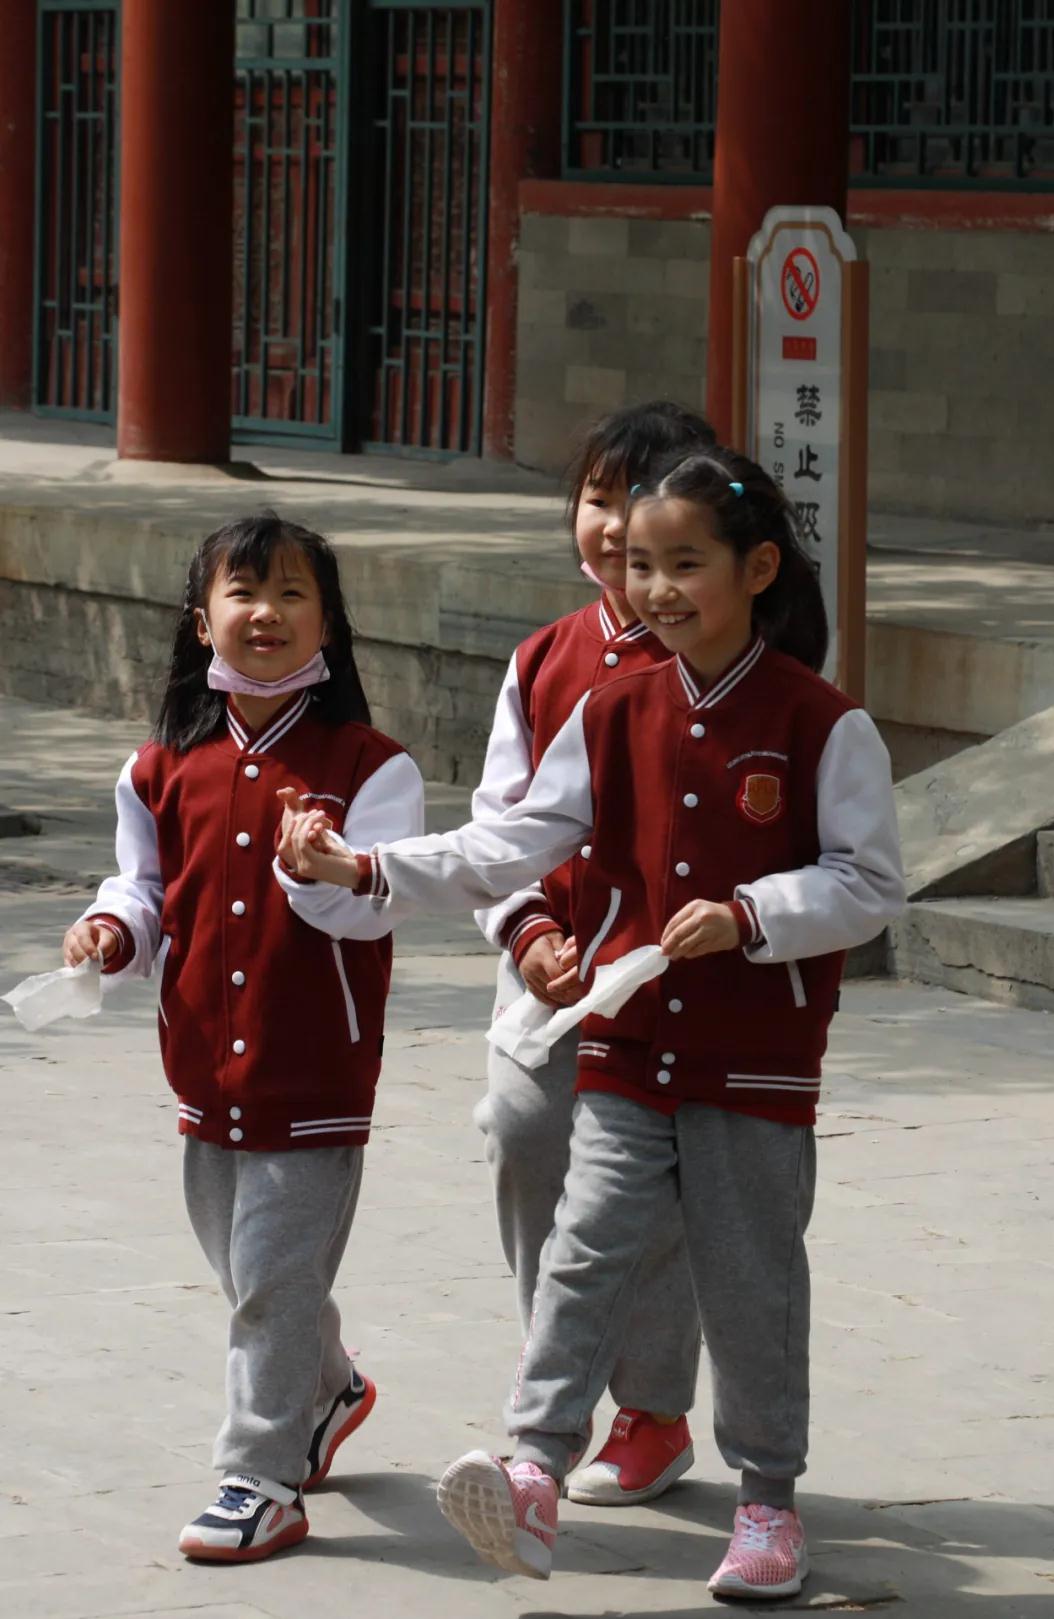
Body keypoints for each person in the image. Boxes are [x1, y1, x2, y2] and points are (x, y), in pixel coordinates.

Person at [278, 448, 905, 1600]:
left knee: (752, 1282)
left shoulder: (822, 721)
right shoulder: (610, 708)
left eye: (686, 564)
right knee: (583, 1251)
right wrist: (367, 865)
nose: (657, 588)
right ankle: (533, 1468)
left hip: (755, 1061)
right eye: (642, 564)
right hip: (624, 1039)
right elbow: (512, 841)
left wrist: (755, 914)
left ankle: (767, 1500)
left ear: (759, 568)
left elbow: (869, 884)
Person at [61, 514, 423, 1563]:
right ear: (201, 618)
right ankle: (329, 1385)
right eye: (244, 592)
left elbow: (381, 904)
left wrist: (324, 870)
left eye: (293, 593)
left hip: (313, 1068)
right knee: (252, 1270)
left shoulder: (371, 766)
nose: (267, 613)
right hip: (201, 1063)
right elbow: (143, 888)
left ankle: (260, 1476)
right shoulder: (159, 766)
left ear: (329, 623)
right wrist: (111, 930)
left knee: (269, 1277)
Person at [469, 401, 716, 1507]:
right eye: (598, 499)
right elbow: (498, 824)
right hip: (552, 969)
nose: (615, 528)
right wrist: (528, 930)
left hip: (668, 978)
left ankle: (652, 1411)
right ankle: (555, 1385)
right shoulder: (542, 658)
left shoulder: (725, 661)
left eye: (642, 504)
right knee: (525, 1138)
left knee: (650, 1191)